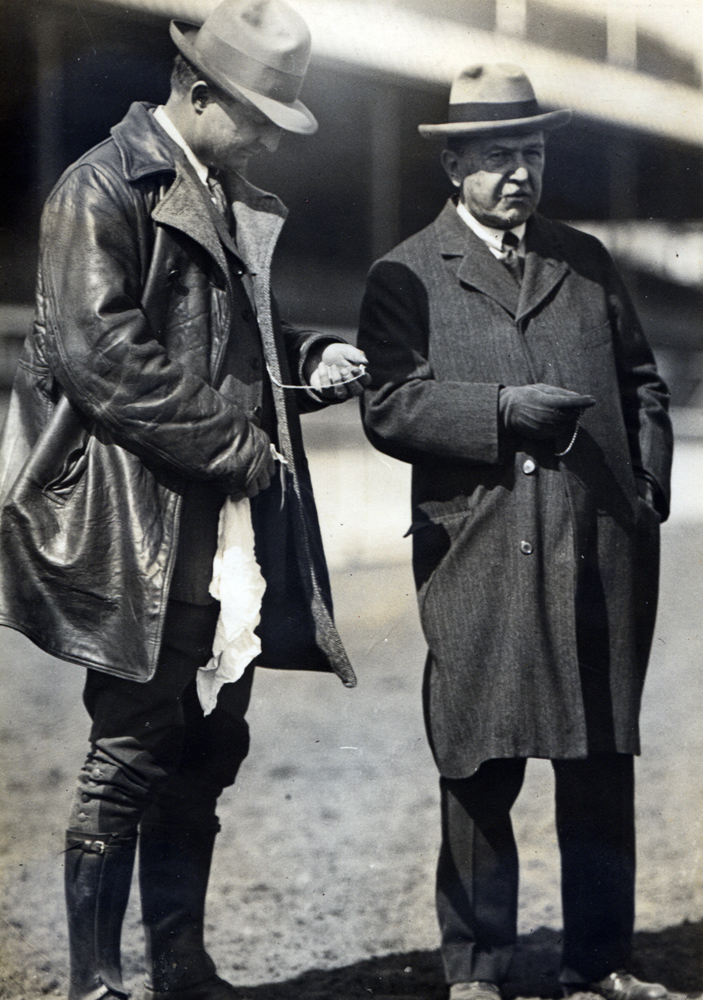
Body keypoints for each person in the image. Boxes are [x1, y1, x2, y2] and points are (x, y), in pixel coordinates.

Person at [0, 2, 369, 999]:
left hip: (224, 525)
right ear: (198, 92)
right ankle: (93, 980)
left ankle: (180, 962)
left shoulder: (226, 194)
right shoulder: (102, 185)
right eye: (253, 116)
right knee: (129, 747)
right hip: (138, 522)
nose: (261, 138)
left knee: (210, 741)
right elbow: (97, 353)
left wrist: (308, 356)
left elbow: (237, 344)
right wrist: (234, 443)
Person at [358, 63, 675, 1000]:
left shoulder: (585, 260)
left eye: (529, 153)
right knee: (479, 763)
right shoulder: (404, 273)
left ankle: (599, 963)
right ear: (452, 167)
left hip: (598, 553)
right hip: (481, 552)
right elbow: (388, 405)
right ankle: (476, 971)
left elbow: (642, 385)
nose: (518, 174)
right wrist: (500, 409)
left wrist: (645, 487)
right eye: (496, 157)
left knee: (598, 767)